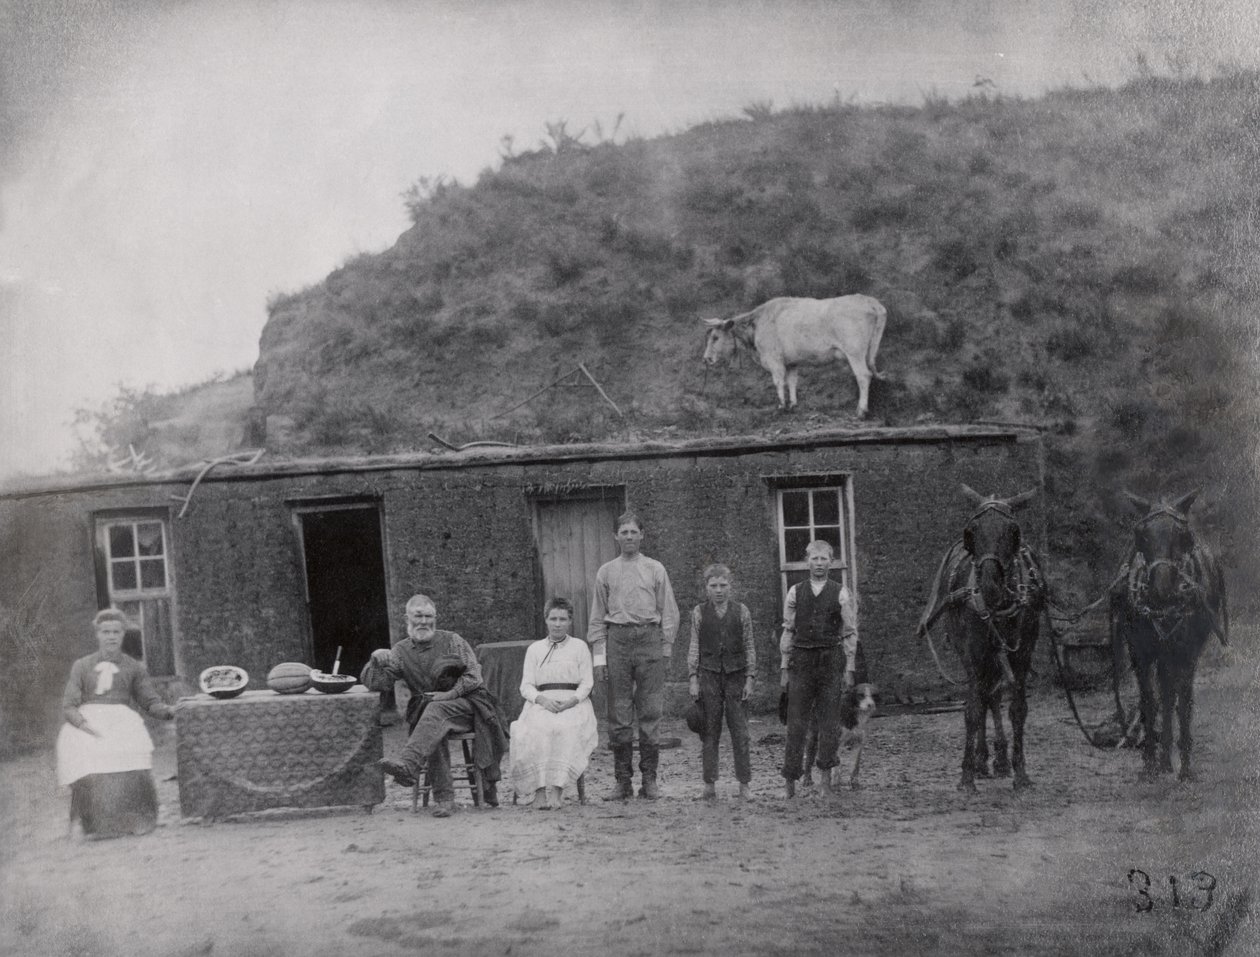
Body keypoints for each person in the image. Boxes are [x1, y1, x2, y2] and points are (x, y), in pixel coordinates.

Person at [363, 594, 507, 818]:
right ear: (406, 618)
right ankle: (445, 800)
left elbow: (474, 676)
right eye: (418, 616)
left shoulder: (452, 641)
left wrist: (448, 694)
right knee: (431, 718)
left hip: (469, 706)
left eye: (428, 616)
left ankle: (409, 765)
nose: (423, 621)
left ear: (435, 618)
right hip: (432, 712)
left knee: (433, 711)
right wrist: (374, 661)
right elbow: (378, 683)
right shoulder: (400, 651)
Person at [56, 608, 176, 838]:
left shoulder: (134, 667)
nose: (111, 636)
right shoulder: (82, 665)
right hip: (88, 720)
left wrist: (169, 711)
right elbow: (69, 704)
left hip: (121, 720)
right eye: (106, 632)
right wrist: (82, 724)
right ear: (97, 634)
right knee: (84, 751)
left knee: (133, 747)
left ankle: (137, 820)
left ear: (123, 635)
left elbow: (149, 701)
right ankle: (95, 824)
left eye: (116, 632)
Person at [587, 511, 680, 800]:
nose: (628, 537)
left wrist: (664, 648)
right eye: (623, 532)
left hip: (649, 639)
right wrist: (600, 660)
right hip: (618, 641)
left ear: (642, 535)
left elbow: (669, 612)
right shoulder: (606, 571)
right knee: (619, 714)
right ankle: (622, 781)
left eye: (633, 532)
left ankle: (649, 781)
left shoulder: (655, 569)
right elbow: (597, 619)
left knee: (651, 712)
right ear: (616, 536)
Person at [779, 540, 859, 799]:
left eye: (824, 559)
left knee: (829, 722)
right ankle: (791, 780)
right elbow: (788, 631)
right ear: (807, 562)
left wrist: (849, 668)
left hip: (830, 660)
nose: (819, 564)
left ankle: (825, 779)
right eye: (814, 559)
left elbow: (848, 633)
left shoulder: (840, 592)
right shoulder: (795, 592)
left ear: (831, 562)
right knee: (797, 722)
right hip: (801, 660)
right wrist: (784, 666)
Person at [509, 597, 599, 810]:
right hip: (542, 703)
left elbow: (587, 683)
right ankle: (539, 792)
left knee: (563, 728)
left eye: (563, 619)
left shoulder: (579, 647)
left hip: (574, 704)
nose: (557, 624)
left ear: (570, 621)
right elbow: (526, 686)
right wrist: (542, 699)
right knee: (533, 730)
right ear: (546, 620)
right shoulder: (535, 649)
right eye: (553, 619)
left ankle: (557, 792)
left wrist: (571, 701)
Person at [687, 564, 756, 800]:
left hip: (737, 676)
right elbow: (694, 646)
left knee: (740, 731)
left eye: (723, 585)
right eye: (713, 586)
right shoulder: (698, 612)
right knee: (710, 731)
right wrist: (693, 679)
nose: (718, 590)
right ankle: (709, 784)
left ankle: (744, 784)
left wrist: (750, 678)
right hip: (709, 675)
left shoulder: (742, 611)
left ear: (730, 586)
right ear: (706, 588)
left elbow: (749, 646)